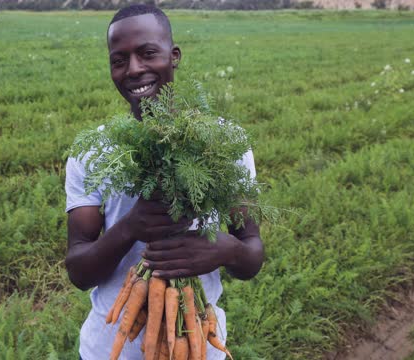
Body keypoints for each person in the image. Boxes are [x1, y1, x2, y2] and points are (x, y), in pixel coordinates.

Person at [64, 4, 264, 359]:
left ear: (174, 57)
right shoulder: (93, 153)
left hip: (198, 343)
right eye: (119, 60)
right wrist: (130, 227)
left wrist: (225, 250)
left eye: (147, 53)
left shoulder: (221, 143)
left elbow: (250, 255)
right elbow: (79, 271)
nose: (134, 69)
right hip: (109, 347)